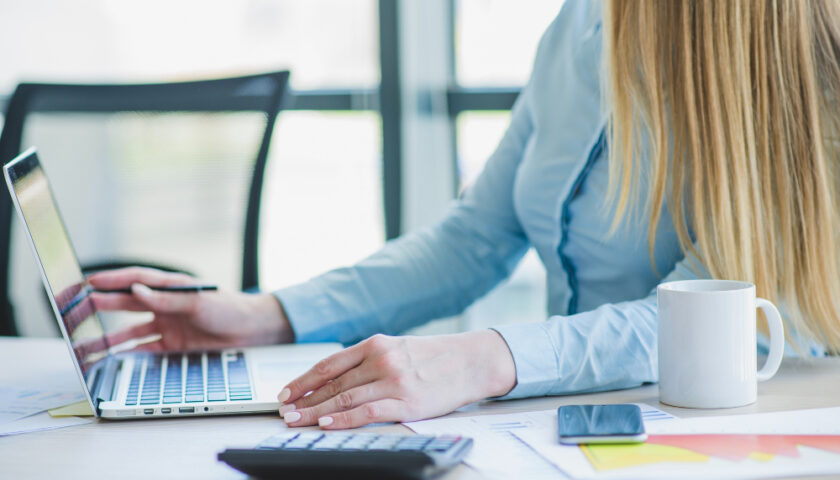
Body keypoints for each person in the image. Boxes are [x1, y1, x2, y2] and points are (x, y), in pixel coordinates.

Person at [89, 0, 840, 430]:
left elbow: (709, 315)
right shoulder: (580, 27)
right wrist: (268, 314)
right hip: (564, 430)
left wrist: (483, 360)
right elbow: (476, 238)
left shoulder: (780, 48)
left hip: (730, 434)